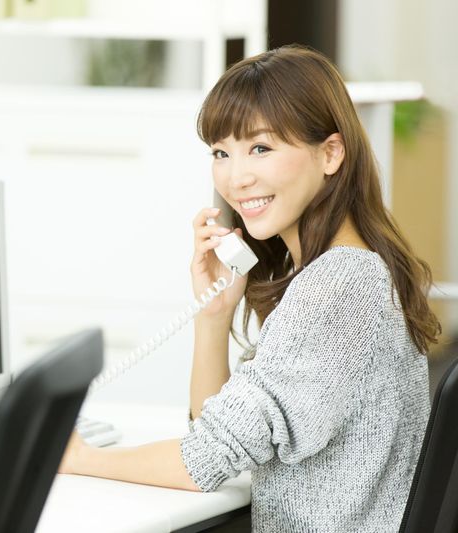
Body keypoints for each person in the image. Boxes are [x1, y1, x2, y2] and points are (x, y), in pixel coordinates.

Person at [58, 44, 442, 532]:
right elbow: (217, 437)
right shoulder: (352, 271)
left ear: (330, 153)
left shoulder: (339, 287)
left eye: (260, 148)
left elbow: (204, 461)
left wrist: (78, 458)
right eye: (221, 153)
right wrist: (214, 314)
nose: (236, 178)